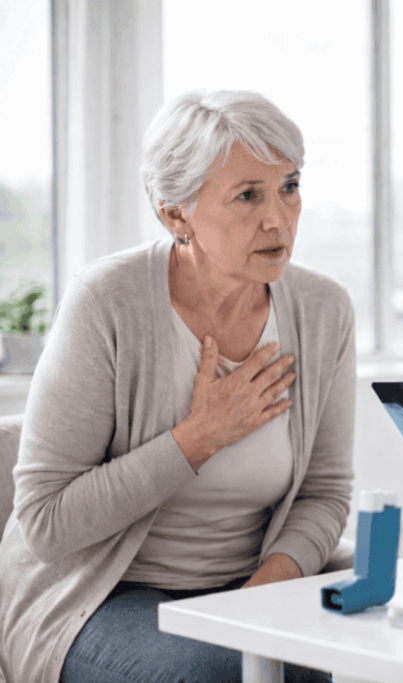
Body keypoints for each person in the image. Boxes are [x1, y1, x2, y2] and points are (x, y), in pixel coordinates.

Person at [0, 90, 355, 683]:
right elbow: (46, 522)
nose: (279, 218)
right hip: (101, 598)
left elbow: (325, 492)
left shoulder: (323, 310)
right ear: (175, 214)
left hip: (244, 587)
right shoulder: (105, 301)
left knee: (303, 665)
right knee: (225, 674)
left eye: (289, 187)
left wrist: (262, 594)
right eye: (248, 195)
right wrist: (198, 438)